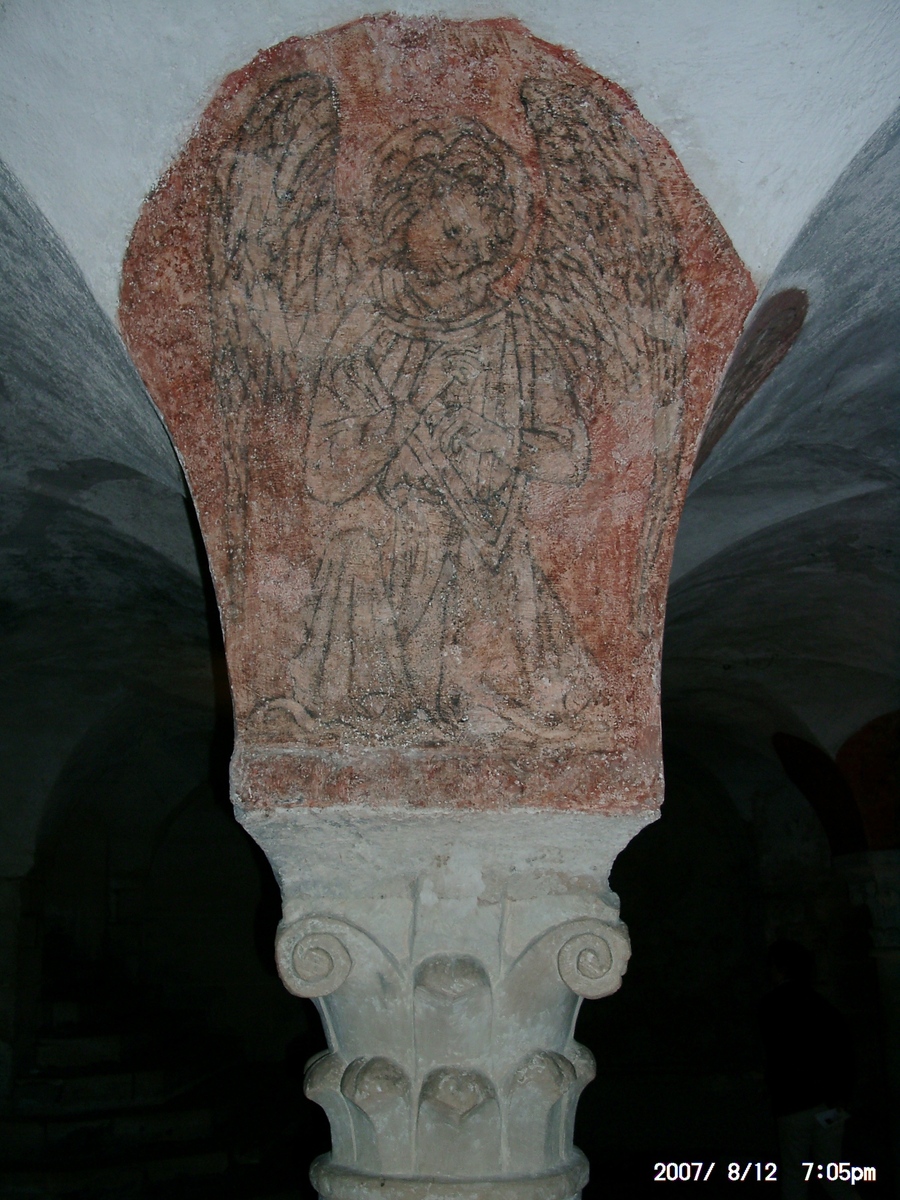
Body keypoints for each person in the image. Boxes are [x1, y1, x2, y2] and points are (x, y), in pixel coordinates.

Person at [284, 119, 608, 749]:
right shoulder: (365, 335)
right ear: (400, 222)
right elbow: (323, 477)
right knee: (357, 547)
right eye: (450, 229)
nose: (467, 250)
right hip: (388, 551)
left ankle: (474, 698)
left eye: (480, 235)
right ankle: (380, 704)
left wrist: (500, 439)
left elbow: (570, 458)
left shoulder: (517, 331)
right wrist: (408, 411)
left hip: (486, 552)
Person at [759, 940, 860, 1200]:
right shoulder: (823, 1006)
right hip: (830, 1104)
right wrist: (842, 1097)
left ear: (780, 968)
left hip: (792, 1104)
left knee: (795, 1176)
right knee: (833, 1176)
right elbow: (845, 1053)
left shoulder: (770, 1006)